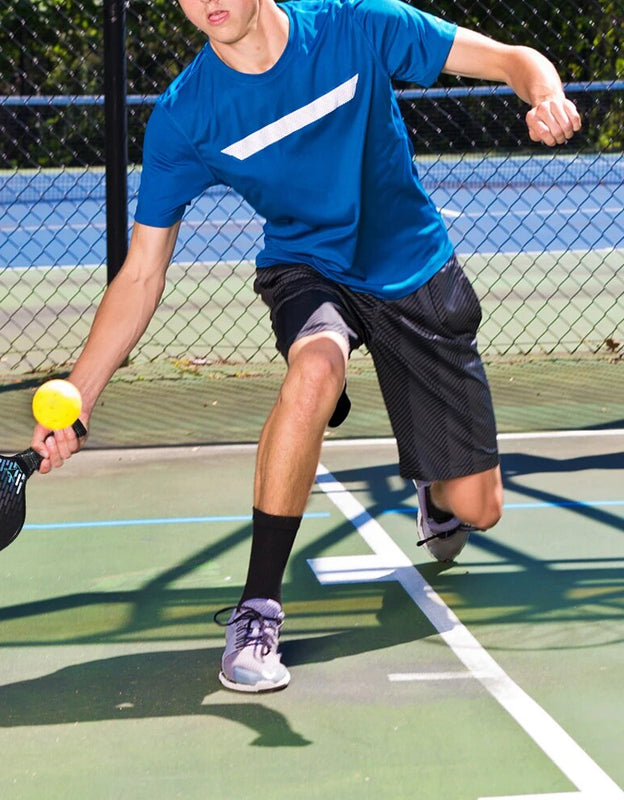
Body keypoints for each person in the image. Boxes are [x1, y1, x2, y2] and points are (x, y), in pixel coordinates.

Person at [31, 0, 581, 693]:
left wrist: (548, 95)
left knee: (479, 510)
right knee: (315, 370)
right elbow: (141, 273)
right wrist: (79, 397)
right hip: (308, 267)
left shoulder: (358, 24)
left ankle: (436, 490)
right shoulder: (186, 114)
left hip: (414, 269)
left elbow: (511, 59)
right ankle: (257, 609)